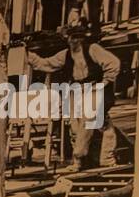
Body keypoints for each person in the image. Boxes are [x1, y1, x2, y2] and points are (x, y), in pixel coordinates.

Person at [27, 14, 122, 171]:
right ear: (67, 38)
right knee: (76, 127)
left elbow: (113, 63)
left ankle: (87, 159)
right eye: (72, 36)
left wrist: (104, 82)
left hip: (94, 89)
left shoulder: (93, 49)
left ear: (83, 37)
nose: (74, 40)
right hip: (77, 90)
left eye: (78, 36)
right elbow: (46, 64)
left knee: (89, 119)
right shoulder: (65, 54)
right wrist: (28, 56)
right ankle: (94, 159)